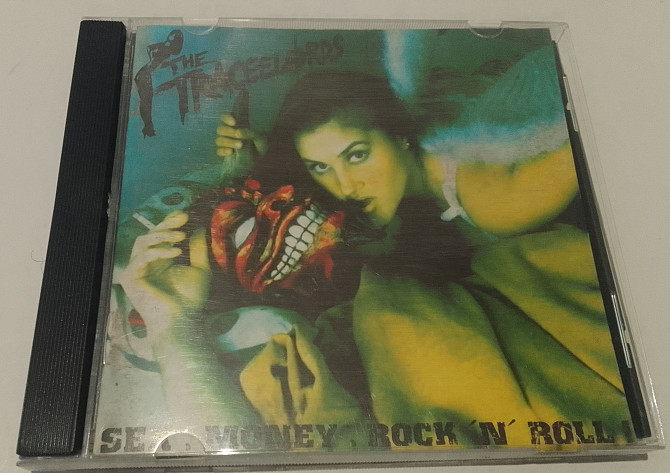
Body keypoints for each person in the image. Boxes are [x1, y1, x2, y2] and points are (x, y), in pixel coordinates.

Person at [122, 68, 633, 447]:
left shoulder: (491, 198)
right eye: (320, 167)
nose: (344, 185)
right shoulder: (395, 200)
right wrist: (260, 159)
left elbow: (594, 138)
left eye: (358, 155)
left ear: (400, 135)